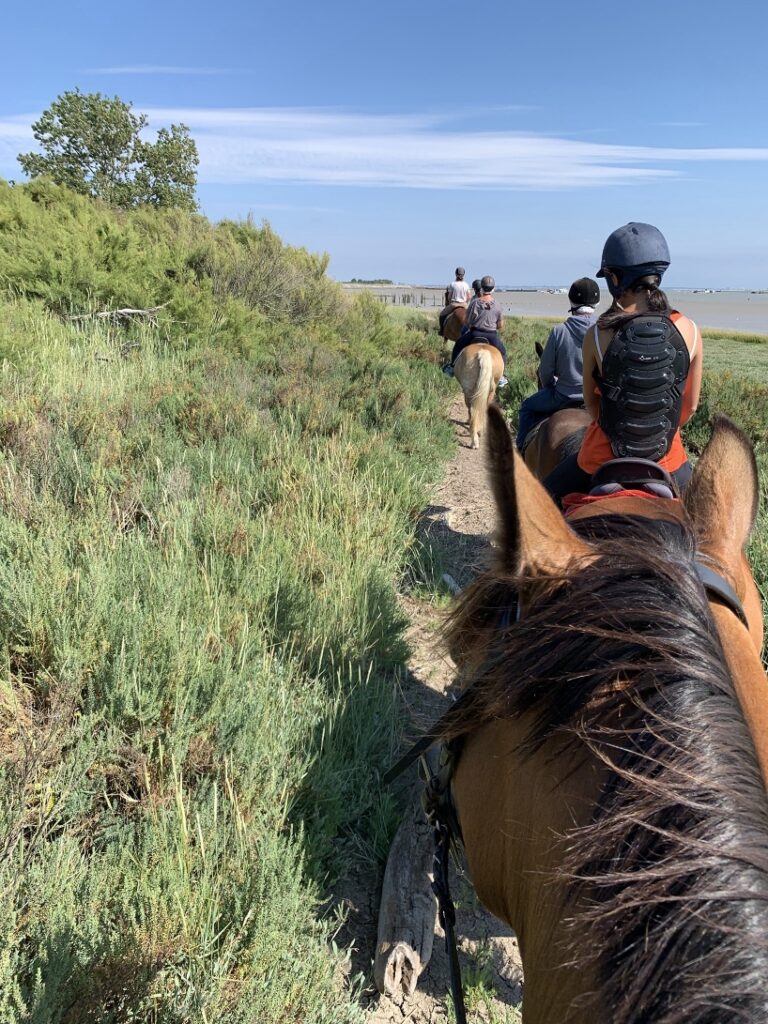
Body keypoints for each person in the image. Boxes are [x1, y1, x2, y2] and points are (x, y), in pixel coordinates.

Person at [542, 223, 703, 504]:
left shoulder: (597, 333)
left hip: (599, 460)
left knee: (535, 504)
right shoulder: (690, 330)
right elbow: (688, 408)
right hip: (669, 463)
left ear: (614, 278)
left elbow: (593, 409)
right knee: (709, 524)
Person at [515, 277, 600, 450]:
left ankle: (521, 450)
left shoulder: (559, 331)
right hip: (597, 400)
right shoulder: (604, 332)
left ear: (571, 301)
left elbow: (545, 370)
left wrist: (549, 385)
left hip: (563, 396)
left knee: (526, 408)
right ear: (597, 303)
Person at [443, 275, 508, 386]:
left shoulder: (475, 302)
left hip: (475, 333)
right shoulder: (497, 305)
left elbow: (467, 321)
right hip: (491, 336)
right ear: (493, 288)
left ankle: (452, 367)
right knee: (503, 352)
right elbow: (500, 325)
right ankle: (501, 375)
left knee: (458, 344)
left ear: (482, 287)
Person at [438, 267, 472, 336]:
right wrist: (465, 302)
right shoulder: (466, 285)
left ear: (456, 274)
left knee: (442, 315)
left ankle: (441, 330)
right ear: (463, 275)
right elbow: (469, 297)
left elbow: (449, 297)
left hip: (454, 304)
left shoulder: (452, 284)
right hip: (464, 304)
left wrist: (450, 302)